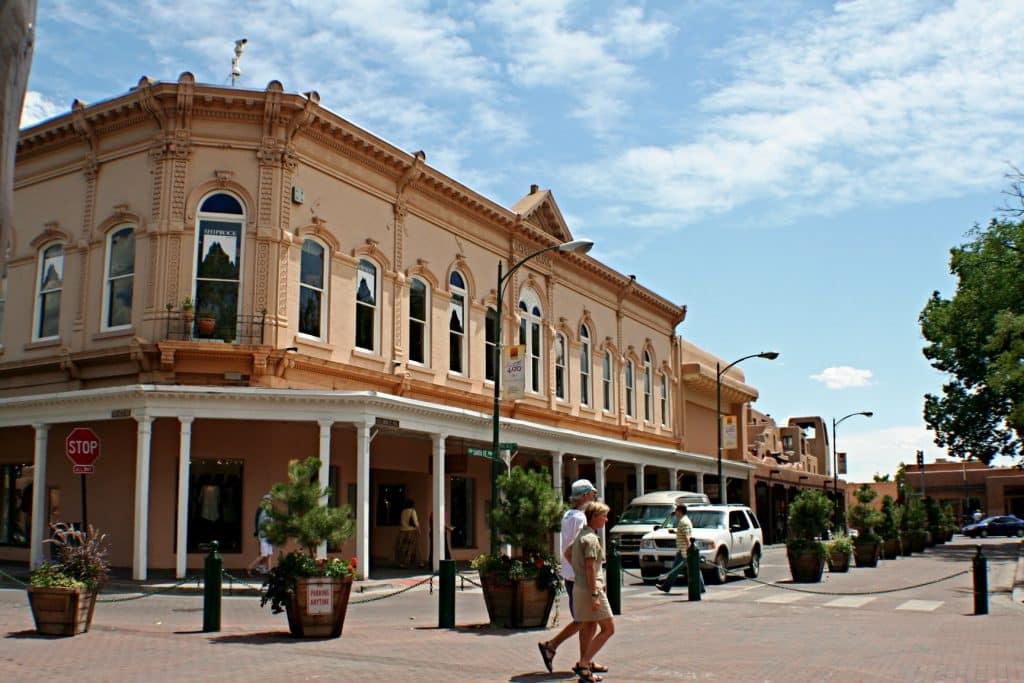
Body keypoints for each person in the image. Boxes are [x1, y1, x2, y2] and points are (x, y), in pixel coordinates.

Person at [538, 479, 605, 675]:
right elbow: (573, 548)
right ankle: (552, 645)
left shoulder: (569, 515)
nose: (594, 496)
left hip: (571, 575)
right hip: (579, 577)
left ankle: (586, 660)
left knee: (588, 621)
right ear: (584, 496)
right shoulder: (581, 519)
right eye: (592, 493)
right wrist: (585, 575)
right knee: (583, 620)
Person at [570, 501, 615, 683]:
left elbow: (567, 554)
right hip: (590, 589)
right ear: (594, 517)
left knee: (589, 626)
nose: (606, 519)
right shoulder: (591, 539)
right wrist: (595, 593)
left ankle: (586, 668)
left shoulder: (581, 536)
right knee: (608, 628)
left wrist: (578, 573)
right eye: (604, 515)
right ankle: (584, 663)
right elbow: (590, 568)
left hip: (579, 587)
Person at [655, 502, 705, 594]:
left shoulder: (683, 522)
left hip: (684, 550)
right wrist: (675, 532)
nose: (675, 512)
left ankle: (666, 587)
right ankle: (701, 587)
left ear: (680, 511)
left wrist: (689, 546)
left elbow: (687, 535)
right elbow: (684, 533)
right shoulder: (686, 520)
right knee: (694, 569)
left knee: (677, 569)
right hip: (684, 549)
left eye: (676, 510)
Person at [247, 493, 273, 576]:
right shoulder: (263, 510)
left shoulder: (267, 510)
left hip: (268, 535)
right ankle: (250, 567)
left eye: (270, 500)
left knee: (269, 554)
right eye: (267, 500)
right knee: (264, 554)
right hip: (264, 535)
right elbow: (263, 523)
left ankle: (269, 571)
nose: (269, 502)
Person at [396, 499, 423, 568]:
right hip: (411, 531)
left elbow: (401, 521)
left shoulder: (403, 511)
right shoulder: (412, 511)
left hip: (402, 531)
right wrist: (419, 530)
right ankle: (420, 563)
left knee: (403, 547)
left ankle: (402, 563)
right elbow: (415, 521)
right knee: (415, 547)